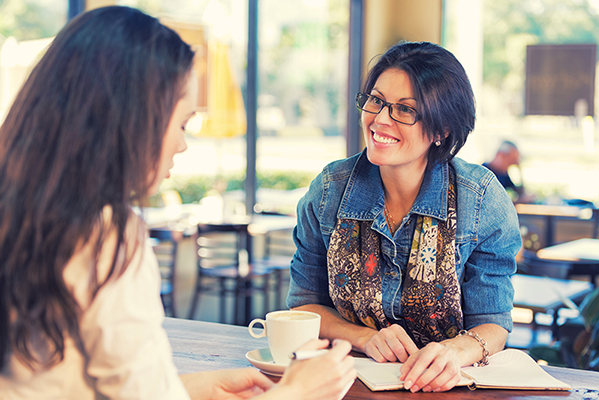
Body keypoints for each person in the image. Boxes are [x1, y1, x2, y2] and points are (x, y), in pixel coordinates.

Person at [0, 6, 355, 400]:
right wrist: (297, 392)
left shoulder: (21, 210)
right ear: (134, 117)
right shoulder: (107, 236)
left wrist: (188, 388)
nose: (183, 144)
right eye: (182, 123)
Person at [287, 41, 522, 393]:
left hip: (445, 388)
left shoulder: (481, 199)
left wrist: (452, 352)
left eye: (405, 110)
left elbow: (493, 323)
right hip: (345, 384)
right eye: (376, 100)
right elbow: (304, 306)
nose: (380, 119)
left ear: (442, 130)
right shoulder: (328, 192)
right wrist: (364, 338)